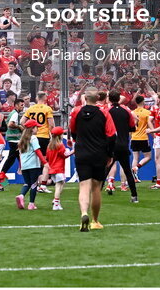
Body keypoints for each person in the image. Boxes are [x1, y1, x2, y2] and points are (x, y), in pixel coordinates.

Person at [69, 87, 117, 232]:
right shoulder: (104, 112)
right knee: (96, 187)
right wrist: (109, 154)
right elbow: (111, 135)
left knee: (84, 186)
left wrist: (79, 143)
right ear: (97, 98)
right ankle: (95, 220)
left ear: (85, 98)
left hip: (82, 152)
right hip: (99, 153)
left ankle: (84, 214)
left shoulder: (76, 111)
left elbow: (73, 131)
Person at [104, 93, 138, 202]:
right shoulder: (126, 111)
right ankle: (134, 196)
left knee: (105, 170)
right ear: (119, 99)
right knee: (128, 171)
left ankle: (96, 195)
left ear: (109, 99)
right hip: (123, 145)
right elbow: (133, 127)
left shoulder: (107, 111)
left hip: (111, 145)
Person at [15, 119, 44, 210]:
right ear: (32, 129)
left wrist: (20, 166)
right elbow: (37, 151)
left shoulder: (22, 140)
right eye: (36, 127)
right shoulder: (33, 138)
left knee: (27, 183)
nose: (37, 129)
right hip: (33, 165)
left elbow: (20, 155)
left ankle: (21, 195)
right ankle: (31, 204)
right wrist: (44, 162)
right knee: (34, 184)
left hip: (24, 166)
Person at [44, 126, 72, 210]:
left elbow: (48, 158)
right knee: (59, 185)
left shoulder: (49, 146)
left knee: (60, 184)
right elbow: (65, 155)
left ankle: (56, 201)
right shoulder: (60, 145)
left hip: (52, 169)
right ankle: (56, 203)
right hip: (59, 169)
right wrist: (72, 151)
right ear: (60, 136)